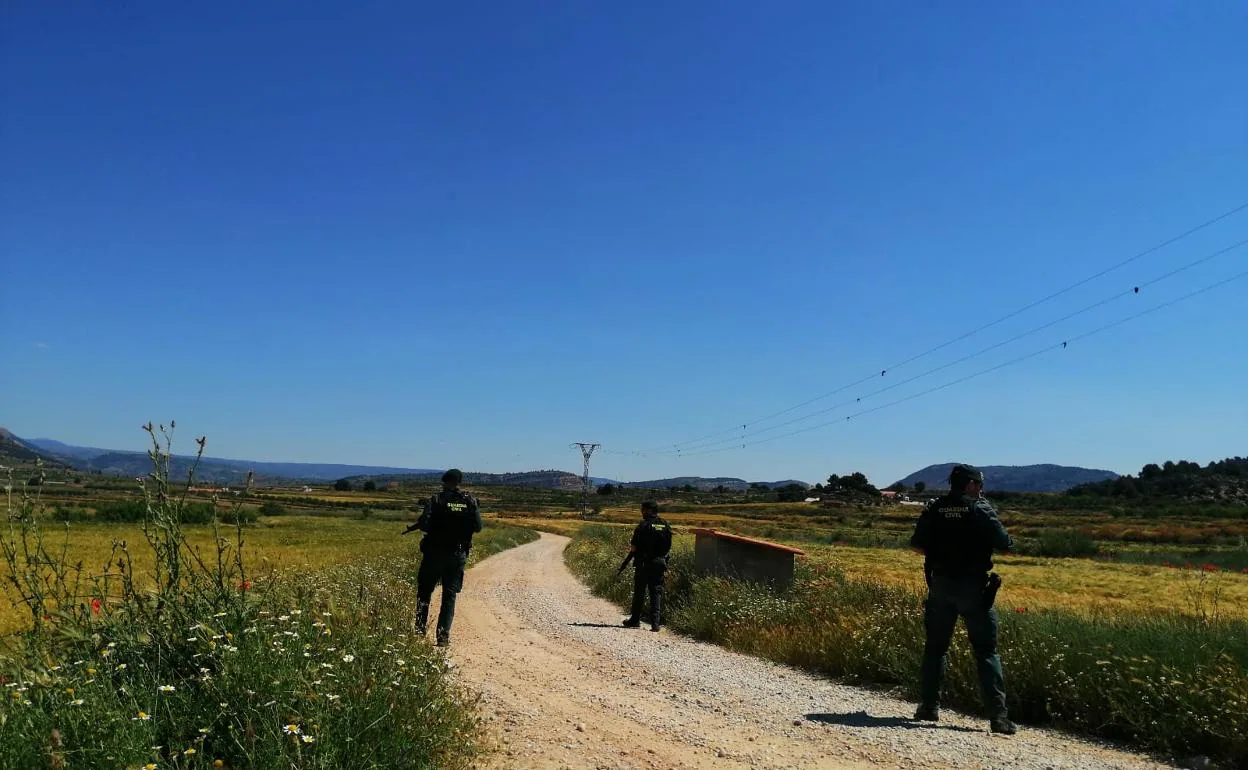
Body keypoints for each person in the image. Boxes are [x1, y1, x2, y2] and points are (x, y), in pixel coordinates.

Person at [909, 464, 1017, 734]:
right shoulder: (980, 509)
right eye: (979, 484)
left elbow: (917, 545)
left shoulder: (934, 507)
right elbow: (1006, 548)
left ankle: (928, 707)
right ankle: (998, 718)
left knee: (935, 648)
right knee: (986, 652)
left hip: (941, 585)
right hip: (973, 589)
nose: (981, 489)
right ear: (969, 485)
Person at [404, 468, 482, 647]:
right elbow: (478, 527)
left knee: (424, 592)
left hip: (434, 553)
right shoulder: (469, 501)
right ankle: (443, 637)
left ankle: (419, 630)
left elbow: (424, 524)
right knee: (449, 595)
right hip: (457, 555)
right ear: (460, 482)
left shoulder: (436, 500)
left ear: (445, 481)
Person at [621, 500, 673, 632]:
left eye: (642, 509)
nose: (641, 512)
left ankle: (635, 620)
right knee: (656, 592)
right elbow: (668, 546)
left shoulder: (643, 525)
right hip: (660, 562)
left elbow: (633, 548)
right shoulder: (665, 525)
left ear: (648, 510)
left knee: (639, 591)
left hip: (644, 563)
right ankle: (655, 624)